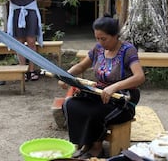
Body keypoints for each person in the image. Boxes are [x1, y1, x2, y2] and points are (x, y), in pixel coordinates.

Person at [58, 15, 145, 159]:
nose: (100, 42)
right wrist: (65, 76)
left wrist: (114, 87)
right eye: (97, 38)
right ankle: (85, 143)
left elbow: (139, 77)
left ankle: (97, 147)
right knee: (70, 104)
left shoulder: (127, 50)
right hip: (99, 94)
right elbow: (81, 66)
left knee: (93, 112)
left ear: (115, 36)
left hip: (123, 100)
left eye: (103, 39)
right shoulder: (98, 49)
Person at [1, 0, 43, 81]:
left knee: (31, 40)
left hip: (29, 8)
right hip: (16, 9)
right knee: (19, 41)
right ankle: (22, 69)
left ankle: (32, 69)